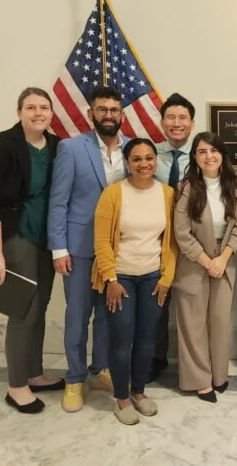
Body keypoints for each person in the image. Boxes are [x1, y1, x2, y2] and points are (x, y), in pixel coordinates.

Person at [0, 88, 61, 413]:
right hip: (16, 235)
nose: (38, 113)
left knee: (41, 306)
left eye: (44, 107)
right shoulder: (0, 146)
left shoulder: (56, 146)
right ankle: (17, 385)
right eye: (31, 107)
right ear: (19, 112)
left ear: (51, 113)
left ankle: (34, 373)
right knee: (23, 310)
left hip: (46, 238)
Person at [48, 86, 127, 412]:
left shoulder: (132, 149)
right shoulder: (70, 148)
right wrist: (59, 248)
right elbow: (58, 201)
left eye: (114, 110)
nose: (108, 115)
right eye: (102, 109)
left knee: (108, 315)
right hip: (79, 249)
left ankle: (100, 369)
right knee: (78, 316)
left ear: (122, 115)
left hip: (116, 249)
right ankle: (75, 378)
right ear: (91, 113)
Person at [92, 138, 178, 426]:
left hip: (153, 277)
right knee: (122, 339)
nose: (144, 164)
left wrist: (166, 279)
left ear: (156, 161)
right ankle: (122, 398)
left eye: (149, 158)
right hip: (121, 278)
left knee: (147, 339)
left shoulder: (168, 194)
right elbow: (101, 241)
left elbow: (172, 242)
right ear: (127, 163)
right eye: (137, 159)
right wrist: (111, 279)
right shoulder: (113, 194)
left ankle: (139, 392)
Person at [173, 132, 237, 402]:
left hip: (223, 260)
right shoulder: (186, 188)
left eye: (214, 151)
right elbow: (182, 234)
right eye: (202, 151)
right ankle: (199, 381)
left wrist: (222, 259)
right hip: (193, 261)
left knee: (220, 321)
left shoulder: (233, 185)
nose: (209, 156)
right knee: (193, 324)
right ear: (195, 157)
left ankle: (218, 376)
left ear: (222, 155)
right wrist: (207, 261)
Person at [150, 93, 195, 381]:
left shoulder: (203, 154)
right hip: (156, 240)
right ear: (162, 122)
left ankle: (193, 362)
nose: (176, 123)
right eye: (170, 117)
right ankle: (156, 357)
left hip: (193, 241)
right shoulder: (149, 154)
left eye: (182, 118)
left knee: (191, 303)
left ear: (192, 123)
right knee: (157, 300)